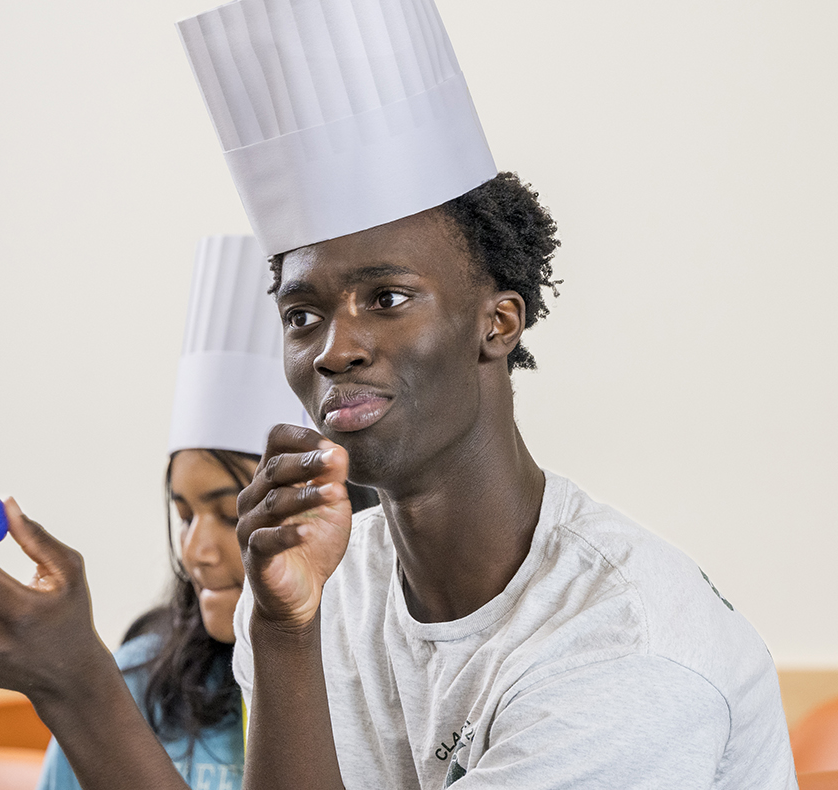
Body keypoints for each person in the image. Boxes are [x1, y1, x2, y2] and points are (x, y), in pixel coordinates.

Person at [174, 1, 798, 788]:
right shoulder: (322, 587)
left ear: (497, 323)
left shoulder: (626, 646)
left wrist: (76, 683)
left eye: (387, 298)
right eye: (303, 316)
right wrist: (284, 628)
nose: (334, 349)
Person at [0, 236, 311, 790]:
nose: (196, 549)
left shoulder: (387, 697)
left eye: (230, 513)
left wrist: (73, 683)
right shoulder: (140, 685)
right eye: (185, 514)